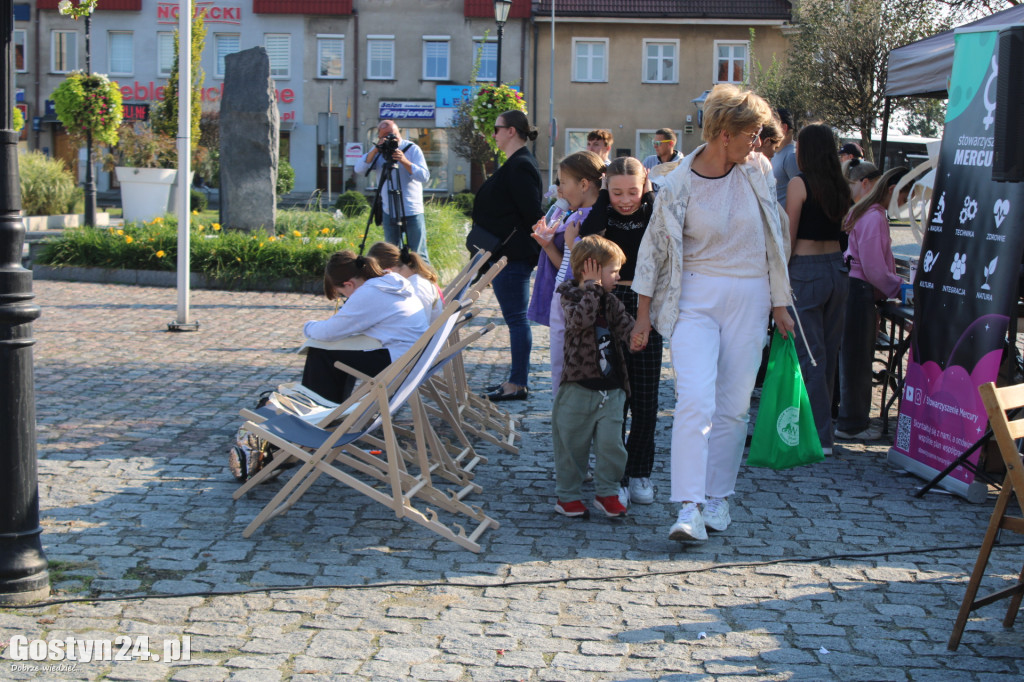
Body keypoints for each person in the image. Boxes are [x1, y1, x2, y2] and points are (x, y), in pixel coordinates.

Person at [632, 84, 794, 543]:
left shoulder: (759, 169)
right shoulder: (676, 182)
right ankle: (688, 506)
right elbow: (654, 251)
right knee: (695, 400)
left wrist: (780, 303)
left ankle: (718, 495)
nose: (758, 141)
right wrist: (643, 316)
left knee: (734, 406)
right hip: (694, 297)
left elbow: (774, 240)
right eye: (753, 132)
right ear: (725, 132)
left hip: (751, 295)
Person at [580, 157, 662, 506]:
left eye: (633, 191)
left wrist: (652, 195)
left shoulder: (653, 209)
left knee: (645, 396)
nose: (625, 200)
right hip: (609, 303)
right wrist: (602, 198)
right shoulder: (603, 212)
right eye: (616, 193)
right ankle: (614, 474)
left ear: (645, 185)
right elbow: (588, 239)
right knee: (615, 397)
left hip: (648, 304)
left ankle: (639, 471)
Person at [552, 235, 635, 519]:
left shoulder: (611, 301)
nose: (618, 275)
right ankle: (568, 496)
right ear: (593, 270)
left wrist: (637, 336)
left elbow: (627, 327)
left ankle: (608, 492)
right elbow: (579, 321)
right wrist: (591, 289)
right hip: (578, 387)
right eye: (613, 270)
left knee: (613, 445)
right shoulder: (570, 295)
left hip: (611, 388)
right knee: (571, 445)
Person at [785, 123, 853, 455]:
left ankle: (817, 436)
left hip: (805, 271)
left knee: (810, 356)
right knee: (826, 353)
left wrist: (778, 274)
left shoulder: (800, 183)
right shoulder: (842, 185)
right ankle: (822, 432)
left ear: (805, 150)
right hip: (837, 270)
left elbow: (790, 235)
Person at [470, 110, 544, 401]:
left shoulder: (521, 165)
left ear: (512, 131)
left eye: (497, 129)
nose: (494, 134)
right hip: (503, 255)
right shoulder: (515, 163)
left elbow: (532, 215)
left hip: (512, 256)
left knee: (516, 319)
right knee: (515, 318)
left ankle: (517, 382)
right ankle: (515, 380)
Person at [837, 166, 908, 441]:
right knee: (857, 359)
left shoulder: (867, 213)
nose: (903, 204)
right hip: (859, 290)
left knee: (855, 357)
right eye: (903, 198)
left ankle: (852, 420)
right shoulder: (874, 217)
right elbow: (874, 267)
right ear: (891, 190)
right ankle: (852, 424)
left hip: (857, 288)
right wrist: (898, 287)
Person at [301, 251, 428, 403]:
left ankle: (321, 411)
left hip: (400, 363)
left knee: (321, 352)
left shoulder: (370, 292)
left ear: (349, 284)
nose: (347, 298)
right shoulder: (389, 282)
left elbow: (329, 332)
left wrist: (307, 326)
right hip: (416, 357)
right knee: (340, 351)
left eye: (343, 294)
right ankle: (332, 409)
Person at [531, 151, 605, 394]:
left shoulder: (595, 219)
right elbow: (566, 264)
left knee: (567, 366)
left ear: (584, 184)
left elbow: (588, 267)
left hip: (579, 303)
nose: (559, 190)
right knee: (558, 363)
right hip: (562, 296)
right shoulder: (573, 215)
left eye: (562, 182)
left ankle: (567, 414)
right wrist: (547, 244)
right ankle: (561, 414)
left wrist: (574, 244)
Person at [354, 120, 432, 263]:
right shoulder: (378, 152)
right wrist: (376, 150)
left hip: (412, 210)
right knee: (392, 255)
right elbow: (359, 169)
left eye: (393, 134)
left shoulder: (411, 149)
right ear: (379, 137)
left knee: (419, 254)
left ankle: (427, 283)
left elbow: (424, 176)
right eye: (385, 135)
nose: (390, 138)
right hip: (389, 210)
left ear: (399, 133)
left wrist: (404, 161)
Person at [367, 241, 443, 322]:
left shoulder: (417, 287)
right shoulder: (413, 281)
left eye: (378, 277)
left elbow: (418, 324)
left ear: (387, 271)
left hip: (426, 334)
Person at [771, 107, 799, 206]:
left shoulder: (792, 156)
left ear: (784, 128)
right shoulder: (776, 152)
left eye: (771, 126)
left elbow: (799, 193)